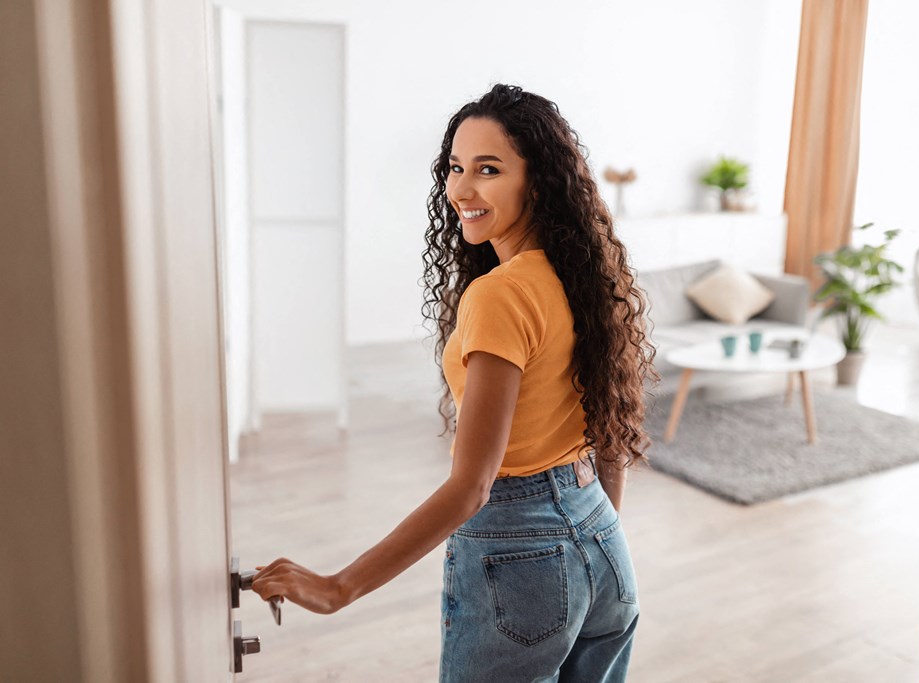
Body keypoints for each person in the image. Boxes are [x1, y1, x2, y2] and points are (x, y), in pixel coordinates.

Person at [252, 83, 660, 682]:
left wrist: (339, 587)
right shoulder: (586, 278)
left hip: (522, 556)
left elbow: (472, 487)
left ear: (538, 181)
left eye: (488, 169)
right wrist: (590, 547)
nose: (462, 189)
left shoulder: (501, 295)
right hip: (602, 542)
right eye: (455, 168)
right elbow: (612, 436)